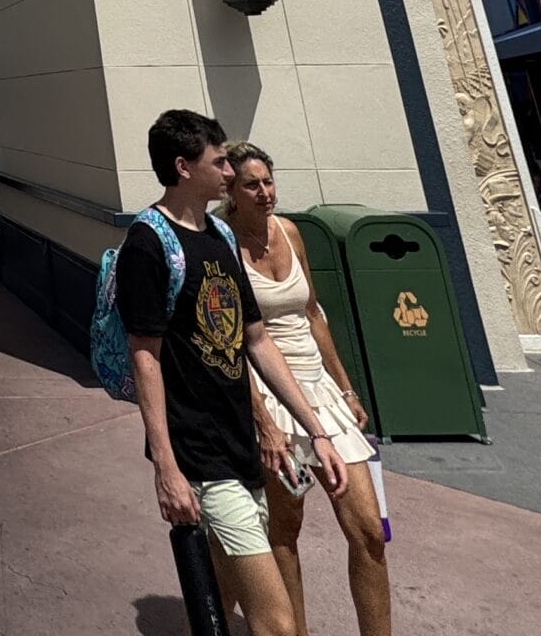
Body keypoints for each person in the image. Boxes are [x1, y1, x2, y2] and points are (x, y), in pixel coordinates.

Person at [118, 110, 346, 636]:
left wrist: (315, 429)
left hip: (241, 443)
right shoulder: (148, 245)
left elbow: (256, 340)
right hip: (201, 454)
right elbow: (145, 357)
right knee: (277, 623)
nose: (228, 171)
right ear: (182, 167)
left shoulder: (218, 234)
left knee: (220, 595)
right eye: (217, 161)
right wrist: (166, 467)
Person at [226, 143, 391, 635]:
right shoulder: (222, 244)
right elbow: (236, 342)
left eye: (268, 181)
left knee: (367, 532)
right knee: (284, 531)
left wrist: (346, 388)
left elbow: (313, 313)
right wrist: (262, 421)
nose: (265, 192)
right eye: (252, 184)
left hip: (320, 393)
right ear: (231, 191)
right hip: (269, 395)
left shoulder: (290, 232)